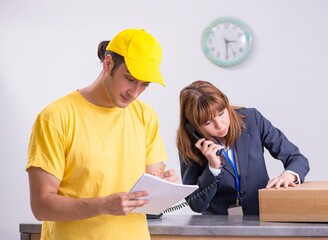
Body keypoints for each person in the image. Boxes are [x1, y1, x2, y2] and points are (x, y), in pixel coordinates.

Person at [26, 28, 179, 240]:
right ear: (108, 64)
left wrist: (165, 185)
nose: (134, 92)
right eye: (130, 78)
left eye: (144, 85)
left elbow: (150, 187)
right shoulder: (56, 117)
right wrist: (103, 205)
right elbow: (42, 206)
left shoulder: (146, 115)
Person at [176, 80, 309, 215]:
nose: (220, 126)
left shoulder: (252, 120)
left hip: (260, 217)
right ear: (193, 125)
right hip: (218, 227)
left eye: (221, 113)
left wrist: (288, 175)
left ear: (226, 105)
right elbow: (196, 204)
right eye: (208, 122)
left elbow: (297, 159)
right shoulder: (189, 144)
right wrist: (213, 168)